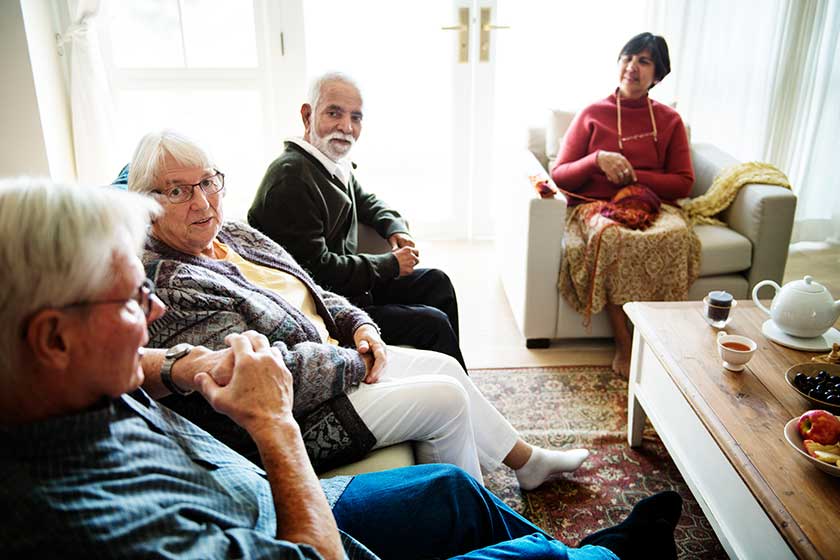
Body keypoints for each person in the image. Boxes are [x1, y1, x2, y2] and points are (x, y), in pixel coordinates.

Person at [0, 177, 684, 559]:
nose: (151, 310)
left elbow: (307, 284)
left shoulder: (68, 378)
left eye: (208, 181)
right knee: (527, 555)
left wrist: (174, 365)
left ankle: (585, 553)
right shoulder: (94, 524)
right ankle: (602, 557)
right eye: (131, 299)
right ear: (53, 338)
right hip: (293, 518)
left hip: (268, 491)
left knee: (450, 489)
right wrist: (275, 425)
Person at [127, 129, 590, 490]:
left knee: (446, 366)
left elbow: (309, 289)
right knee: (446, 400)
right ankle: (470, 527)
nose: (203, 201)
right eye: (178, 191)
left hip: (334, 359)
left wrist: (360, 324)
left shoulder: (231, 234)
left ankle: (525, 463)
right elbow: (256, 376)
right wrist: (355, 360)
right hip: (298, 411)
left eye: (208, 182)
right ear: (146, 204)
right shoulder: (173, 285)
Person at [248, 72, 466, 369]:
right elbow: (316, 272)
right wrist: (389, 264)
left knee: (437, 282)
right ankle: (450, 384)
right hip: (324, 310)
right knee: (433, 323)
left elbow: (366, 201)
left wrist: (395, 228)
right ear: (307, 116)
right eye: (334, 113)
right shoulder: (291, 179)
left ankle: (450, 376)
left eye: (356, 117)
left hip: (351, 288)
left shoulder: (329, 163)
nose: (346, 127)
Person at [550, 33, 700, 377]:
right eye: (627, 58)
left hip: (653, 207)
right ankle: (625, 343)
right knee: (614, 238)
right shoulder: (592, 113)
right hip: (596, 206)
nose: (632, 67)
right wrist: (596, 160)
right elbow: (560, 175)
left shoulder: (670, 120)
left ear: (657, 75)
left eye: (643, 61)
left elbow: (683, 182)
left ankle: (661, 340)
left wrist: (634, 176)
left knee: (676, 237)